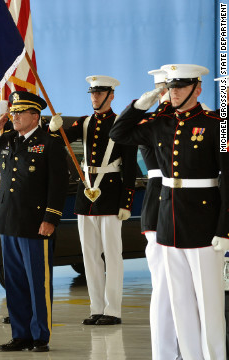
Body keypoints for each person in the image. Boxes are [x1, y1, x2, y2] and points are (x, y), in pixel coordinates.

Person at [110, 64, 228, 359]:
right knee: (180, 303)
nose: (173, 92)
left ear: (197, 89)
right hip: (168, 221)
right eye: (171, 87)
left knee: (209, 304)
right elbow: (119, 133)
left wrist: (224, 229)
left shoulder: (216, 124)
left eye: (180, 86)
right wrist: (139, 106)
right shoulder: (160, 123)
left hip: (203, 223)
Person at [0, 91, 68, 352]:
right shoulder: (7, 140)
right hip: (7, 221)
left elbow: (58, 185)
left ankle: (39, 336)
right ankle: (20, 334)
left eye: (19, 112)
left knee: (38, 281)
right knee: (14, 281)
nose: (13, 116)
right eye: (12, 112)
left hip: (35, 222)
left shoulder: (49, 143)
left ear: (35, 116)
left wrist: (51, 218)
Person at [49, 75, 137, 326]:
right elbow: (57, 142)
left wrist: (126, 202)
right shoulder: (85, 122)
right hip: (86, 195)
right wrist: (53, 129)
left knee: (112, 255)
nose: (94, 97)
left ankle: (113, 310)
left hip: (110, 194)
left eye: (99, 93)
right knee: (89, 255)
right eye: (92, 93)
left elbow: (130, 167)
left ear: (111, 96)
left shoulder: (122, 124)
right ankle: (96, 307)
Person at [138, 69, 181, 360]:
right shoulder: (154, 123)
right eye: (164, 89)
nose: (167, 94)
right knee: (165, 288)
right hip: (160, 207)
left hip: (182, 209)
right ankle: (167, 352)